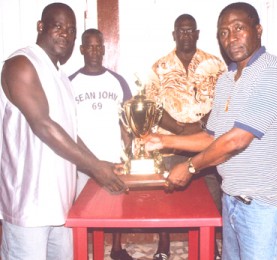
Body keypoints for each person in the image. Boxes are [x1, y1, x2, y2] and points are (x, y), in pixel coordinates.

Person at [145, 2, 277, 260]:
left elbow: (237, 140)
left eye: (239, 28)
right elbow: (211, 137)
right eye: (224, 32)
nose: (231, 37)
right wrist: (163, 140)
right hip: (233, 199)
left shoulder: (272, 72)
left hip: (264, 204)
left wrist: (190, 167)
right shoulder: (227, 79)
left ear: (258, 29)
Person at [0, 3, 127, 260]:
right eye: (58, 26)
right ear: (41, 27)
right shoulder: (21, 64)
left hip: (60, 204)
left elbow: (70, 132)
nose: (65, 35)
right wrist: (94, 167)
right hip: (28, 207)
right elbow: (43, 126)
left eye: (71, 30)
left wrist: (100, 163)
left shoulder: (60, 76)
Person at [145, 13, 226, 259]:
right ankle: (163, 245)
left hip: (208, 143)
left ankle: (210, 244)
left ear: (198, 34)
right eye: (181, 31)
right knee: (167, 195)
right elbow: (152, 106)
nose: (186, 35)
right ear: (174, 34)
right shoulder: (160, 67)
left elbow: (224, 102)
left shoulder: (215, 64)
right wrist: (180, 130)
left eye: (190, 30)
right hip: (170, 144)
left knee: (212, 196)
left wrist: (201, 125)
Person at [69, 28, 133, 260]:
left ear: (104, 50)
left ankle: (116, 247)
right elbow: (67, 125)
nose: (94, 51)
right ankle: (80, 250)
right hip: (82, 160)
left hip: (112, 155)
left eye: (99, 46)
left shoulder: (117, 81)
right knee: (79, 208)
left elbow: (126, 121)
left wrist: (129, 151)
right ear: (82, 49)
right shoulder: (70, 83)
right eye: (90, 46)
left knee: (116, 205)